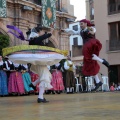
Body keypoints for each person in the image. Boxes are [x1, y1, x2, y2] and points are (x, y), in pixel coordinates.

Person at [62, 19, 110, 91]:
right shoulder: (81, 31)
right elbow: (73, 32)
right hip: (87, 46)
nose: (80, 25)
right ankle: (98, 81)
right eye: (80, 24)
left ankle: (102, 61)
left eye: (81, 24)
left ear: (85, 24)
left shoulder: (89, 29)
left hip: (90, 45)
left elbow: (93, 30)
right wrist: (66, 30)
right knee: (90, 62)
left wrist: (92, 31)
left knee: (90, 58)